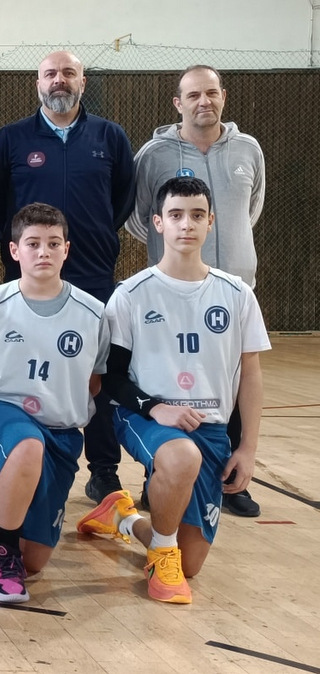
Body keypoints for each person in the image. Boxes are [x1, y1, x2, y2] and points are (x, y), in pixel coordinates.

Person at [77, 177, 269, 604]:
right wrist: (155, 407)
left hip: (210, 427)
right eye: (176, 215)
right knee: (182, 456)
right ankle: (161, 557)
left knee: (192, 563)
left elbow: (251, 374)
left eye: (197, 215)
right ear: (158, 223)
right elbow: (110, 378)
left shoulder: (237, 294)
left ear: (211, 222)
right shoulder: (131, 295)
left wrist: (247, 448)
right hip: (145, 416)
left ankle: (122, 518)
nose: (187, 224)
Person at [0, 50, 135, 504]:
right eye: (50, 73)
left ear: (82, 82)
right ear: (38, 83)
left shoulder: (110, 137)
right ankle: (18, 461)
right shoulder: (11, 139)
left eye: (68, 73)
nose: (59, 80)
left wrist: (91, 238)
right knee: (21, 370)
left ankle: (104, 471)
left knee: (96, 372)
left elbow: (122, 201)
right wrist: (27, 255)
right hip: (28, 282)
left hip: (92, 274)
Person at [125, 65, 267, 518]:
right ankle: (159, 473)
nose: (203, 101)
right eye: (193, 95)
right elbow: (139, 215)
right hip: (172, 292)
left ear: (223, 96)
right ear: (178, 103)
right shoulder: (153, 154)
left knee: (232, 379)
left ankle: (230, 478)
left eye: (211, 93)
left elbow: (250, 208)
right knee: (166, 380)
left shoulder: (248, 149)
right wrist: (177, 257)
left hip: (232, 288)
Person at [0, 203, 109, 603]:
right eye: (33, 243)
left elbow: (93, 381)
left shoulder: (94, 314)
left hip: (60, 429)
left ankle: (10, 501)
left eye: (53, 243)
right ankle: (2, 553)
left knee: (36, 561)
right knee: (26, 445)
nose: (43, 251)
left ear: (66, 249)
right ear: (14, 250)